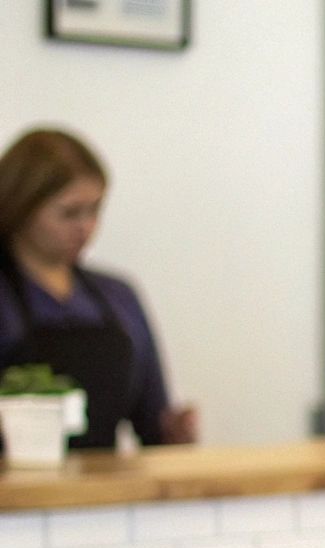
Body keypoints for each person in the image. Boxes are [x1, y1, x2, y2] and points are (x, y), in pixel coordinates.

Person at [0, 127, 194, 449]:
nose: (86, 227)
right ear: (21, 207)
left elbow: (153, 424)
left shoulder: (119, 296)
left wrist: (175, 433)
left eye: (95, 210)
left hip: (102, 480)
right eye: (70, 213)